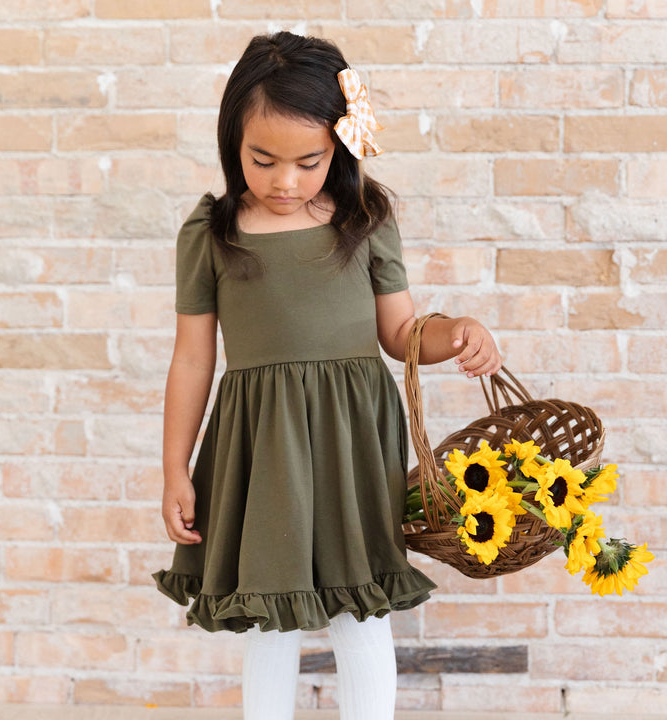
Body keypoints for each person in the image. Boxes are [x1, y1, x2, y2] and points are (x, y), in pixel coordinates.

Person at [153, 31, 502, 720]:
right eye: (263, 160)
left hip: (352, 442)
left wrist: (455, 331)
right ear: (233, 143)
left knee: (359, 609)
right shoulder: (212, 233)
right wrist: (175, 467)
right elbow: (193, 356)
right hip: (261, 445)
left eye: (308, 161)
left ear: (339, 144)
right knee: (270, 613)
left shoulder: (365, 220)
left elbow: (400, 335)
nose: (286, 181)